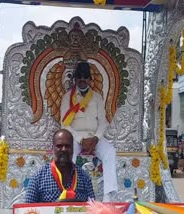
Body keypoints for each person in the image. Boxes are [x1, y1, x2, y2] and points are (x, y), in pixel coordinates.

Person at [60, 62, 117, 202]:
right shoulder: (68, 97)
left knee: (110, 151)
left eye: (85, 77)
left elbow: (103, 121)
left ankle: (108, 195)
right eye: (79, 77)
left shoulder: (97, 97)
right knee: (68, 153)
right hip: (75, 137)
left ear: (90, 79)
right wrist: (80, 140)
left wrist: (96, 139)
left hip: (94, 137)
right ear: (75, 79)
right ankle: (68, 192)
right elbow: (64, 123)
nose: (82, 80)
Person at [25, 129, 95, 203]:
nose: (64, 149)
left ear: (73, 149)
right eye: (59, 146)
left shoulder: (84, 178)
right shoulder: (38, 177)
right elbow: (27, 209)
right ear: (53, 148)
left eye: (67, 146)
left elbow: (94, 209)